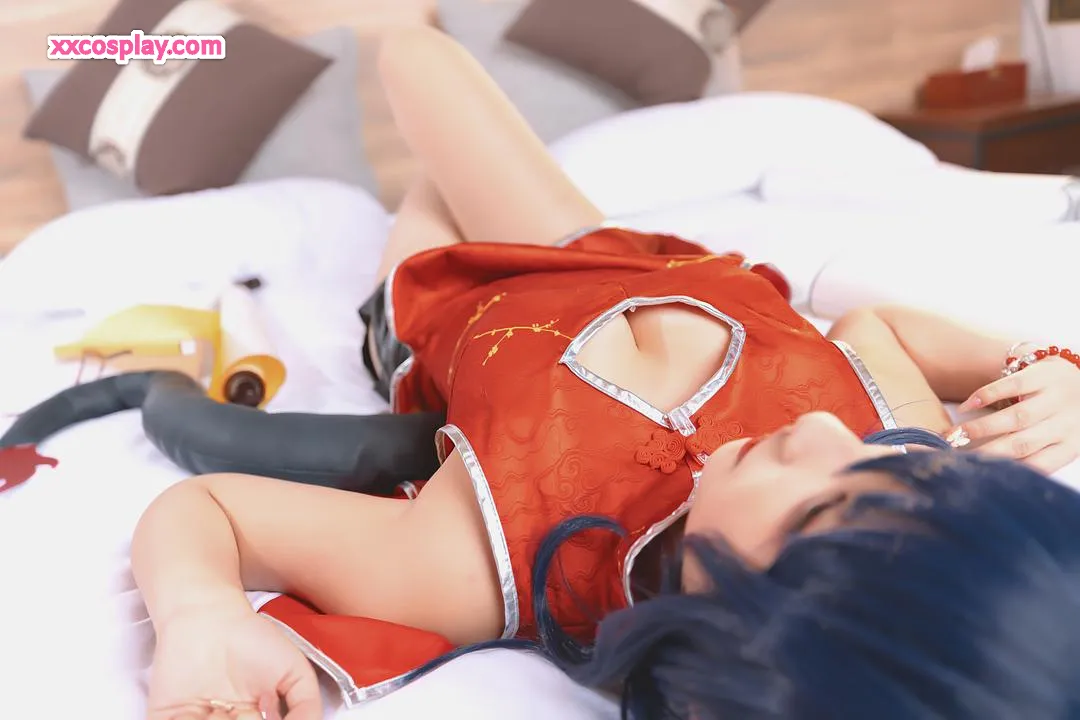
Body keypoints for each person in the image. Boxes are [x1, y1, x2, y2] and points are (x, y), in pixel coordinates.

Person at [132, 26, 1080, 720]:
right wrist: (1046, 361)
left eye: (815, 513)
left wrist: (199, 613)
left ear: (738, 655)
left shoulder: (474, 566)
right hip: (603, 252)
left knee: (421, 128)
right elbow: (879, 329)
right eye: (900, 472)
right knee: (415, 54)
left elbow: (209, 510)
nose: (832, 435)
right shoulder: (904, 458)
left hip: (444, 301)